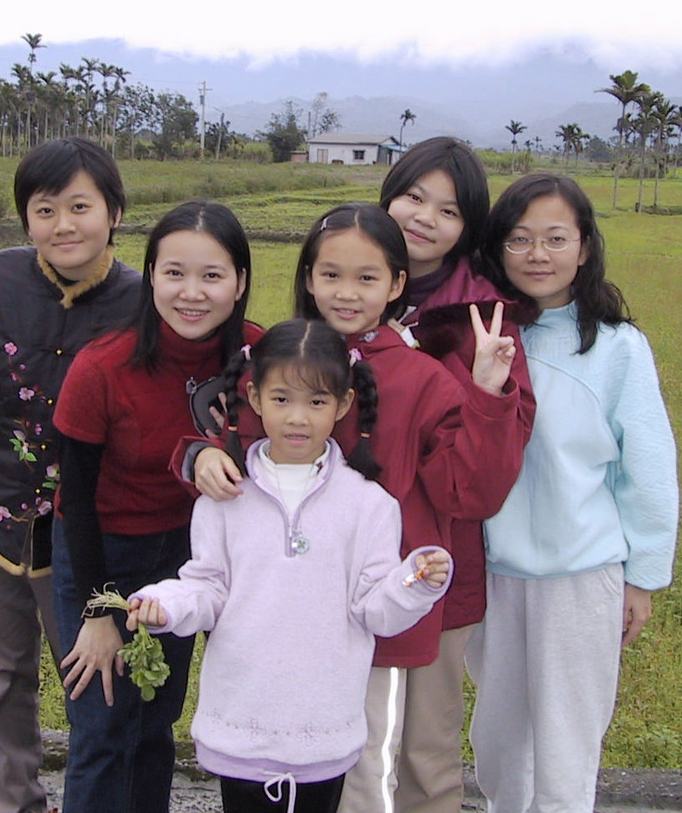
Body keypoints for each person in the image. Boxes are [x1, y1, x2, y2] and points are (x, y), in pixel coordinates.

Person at [191, 202, 527, 813]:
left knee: (372, 767)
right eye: (331, 275)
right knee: (293, 767)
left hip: (375, 604)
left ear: (396, 284)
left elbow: (470, 491)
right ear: (308, 277)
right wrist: (199, 458)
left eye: (366, 277)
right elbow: (236, 455)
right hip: (278, 618)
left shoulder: (422, 379)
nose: (346, 293)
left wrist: (485, 393)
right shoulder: (277, 361)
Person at [115, 319, 453, 813]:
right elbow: (207, 588)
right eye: (281, 399)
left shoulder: (370, 505)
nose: (298, 418)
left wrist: (414, 582)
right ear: (254, 399)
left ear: (343, 405)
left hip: (324, 732)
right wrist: (163, 604)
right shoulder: (224, 497)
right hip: (242, 726)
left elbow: (374, 610)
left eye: (316, 402)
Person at [0, 136, 140, 813]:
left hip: (88, 534)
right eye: (45, 210)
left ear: (114, 212)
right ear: (26, 218)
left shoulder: (145, 303)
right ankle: (14, 800)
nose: (63, 225)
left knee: (100, 684)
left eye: (80, 207)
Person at [468, 174, 680, 813]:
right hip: (492, 574)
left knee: (566, 746)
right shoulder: (480, 335)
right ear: (497, 248)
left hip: (582, 578)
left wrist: (643, 577)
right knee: (498, 742)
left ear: (584, 247)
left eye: (556, 239)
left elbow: (648, 466)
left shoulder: (617, 347)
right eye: (519, 239)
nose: (538, 254)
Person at [51, 200, 262, 813]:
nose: (191, 293)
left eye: (212, 275)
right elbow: (76, 501)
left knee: (155, 717)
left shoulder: (259, 357)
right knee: (102, 725)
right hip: (106, 552)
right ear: (150, 277)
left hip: (191, 556)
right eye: (174, 273)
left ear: (240, 282)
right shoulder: (102, 366)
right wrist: (99, 610)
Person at [378, 137, 537, 813]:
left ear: (468, 229)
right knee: (343, 743)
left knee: (426, 751)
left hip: (438, 562)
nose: (424, 218)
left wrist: (484, 392)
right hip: (342, 564)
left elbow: (480, 485)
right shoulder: (344, 287)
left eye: (448, 210)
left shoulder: (484, 323)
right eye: (414, 197)